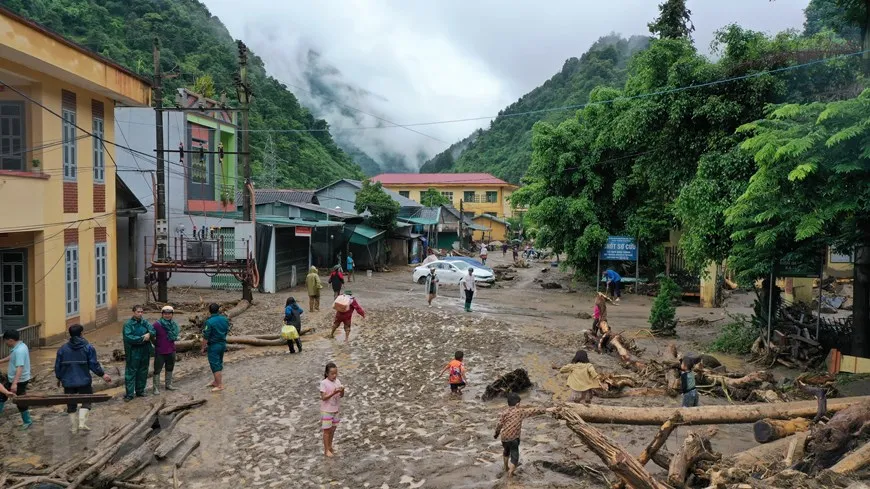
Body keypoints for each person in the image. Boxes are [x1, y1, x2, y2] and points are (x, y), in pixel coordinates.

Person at [55, 324, 112, 433]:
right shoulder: (88, 347)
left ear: (70, 334)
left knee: (71, 404)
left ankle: (73, 428)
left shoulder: (62, 349)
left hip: (68, 381)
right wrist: (103, 375)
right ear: (81, 334)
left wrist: (58, 378)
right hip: (84, 380)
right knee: (87, 401)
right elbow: (93, 364)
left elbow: (58, 366)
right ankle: (82, 423)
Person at [494, 393, 553, 478]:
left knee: (506, 451)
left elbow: (499, 424)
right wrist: (546, 410)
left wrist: (496, 434)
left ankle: (506, 467)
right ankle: (510, 474)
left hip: (504, 438)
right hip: (514, 438)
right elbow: (533, 411)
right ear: (517, 404)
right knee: (515, 456)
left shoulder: (504, 413)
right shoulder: (520, 411)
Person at [0, 330, 32, 429]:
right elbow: (12, 357)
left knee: (20, 401)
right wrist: (1, 361)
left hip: (19, 380)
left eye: (6, 341)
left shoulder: (19, 350)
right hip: (14, 379)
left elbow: (20, 367)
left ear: (10, 340)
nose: (5, 343)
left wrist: (15, 383)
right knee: (1, 395)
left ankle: (27, 421)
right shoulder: (21, 346)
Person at [122, 305, 155, 402]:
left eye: (141, 312)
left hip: (145, 350)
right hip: (133, 351)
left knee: (143, 371)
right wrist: (142, 338)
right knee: (131, 372)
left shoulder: (145, 322)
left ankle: (140, 391)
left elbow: (153, 330)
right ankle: (129, 394)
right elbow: (129, 338)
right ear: (133, 312)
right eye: (138, 312)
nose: (140, 314)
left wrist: (150, 334)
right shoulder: (128, 324)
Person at [201, 303, 231, 392]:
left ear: (209, 311)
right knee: (219, 362)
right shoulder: (224, 319)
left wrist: (203, 347)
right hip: (222, 344)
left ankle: (220, 385)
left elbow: (206, 336)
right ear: (218, 310)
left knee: (215, 365)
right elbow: (227, 330)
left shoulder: (209, 322)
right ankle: (215, 382)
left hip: (214, 345)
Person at [152, 305, 180, 395]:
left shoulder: (174, 325)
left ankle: (168, 385)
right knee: (157, 369)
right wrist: (156, 344)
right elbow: (151, 335)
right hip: (160, 351)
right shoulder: (157, 324)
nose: (167, 316)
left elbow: (175, 336)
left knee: (170, 367)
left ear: (172, 315)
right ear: (162, 314)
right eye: (165, 314)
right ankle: (156, 388)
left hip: (171, 350)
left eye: (169, 314)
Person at [319, 362, 345, 457]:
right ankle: (326, 450)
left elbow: (341, 396)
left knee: (333, 429)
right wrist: (333, 393)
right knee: (326, 431)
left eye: (336, 373)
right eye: (332, 374)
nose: (334, 376)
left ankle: (330, 446)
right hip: (326, 410)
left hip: (335, 409)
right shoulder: (324, 383)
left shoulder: (337, 382)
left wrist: (342, 391)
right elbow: (323, 397)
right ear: (327, 373)